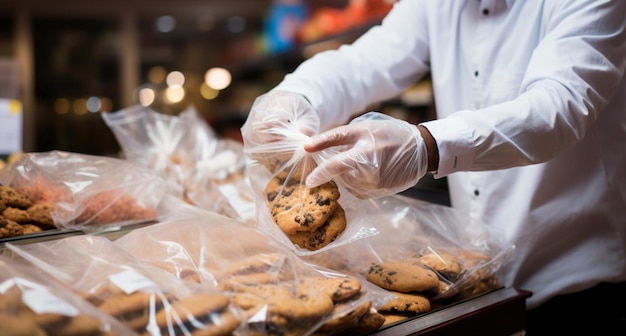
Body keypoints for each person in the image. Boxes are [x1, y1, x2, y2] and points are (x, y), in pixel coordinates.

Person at [241, 0, 626, 334]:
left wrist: (427, 145)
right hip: (476, 284)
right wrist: (296, 94)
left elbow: (558, 108)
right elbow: (364, 62)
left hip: (574, 286)